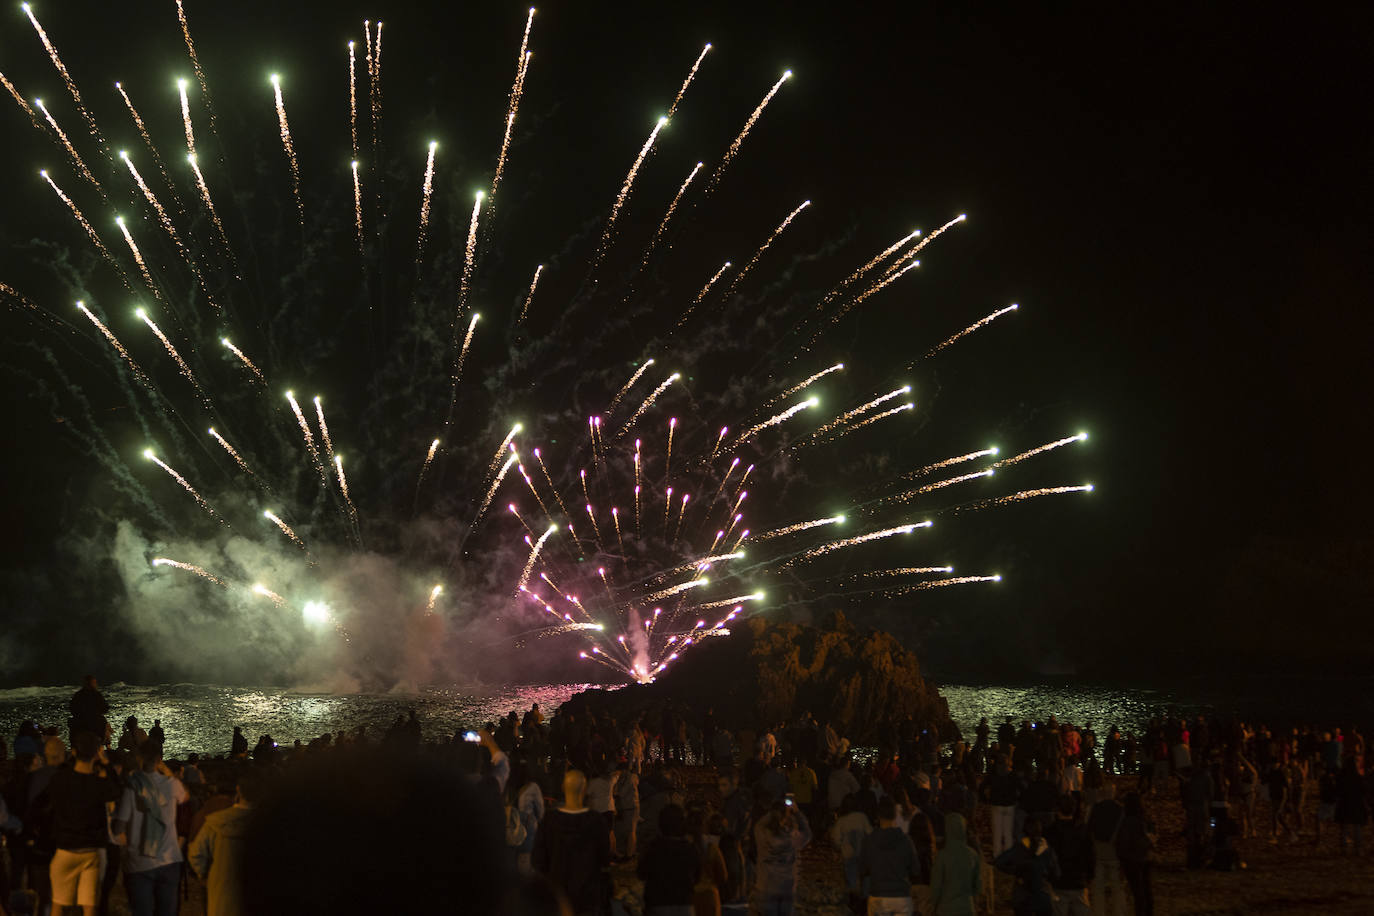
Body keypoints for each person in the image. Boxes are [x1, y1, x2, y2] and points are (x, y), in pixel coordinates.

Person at [47, 732, 123, 916]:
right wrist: (106, 765)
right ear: (96, 755)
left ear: (73, 753)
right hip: (91, 851)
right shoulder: (99, 784)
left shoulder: (60, 779)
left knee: (58, 904)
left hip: (65, 847)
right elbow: (117, 791)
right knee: (89, 906)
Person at [112, 740, 188, 916]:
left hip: (140, 861)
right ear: (160, 759)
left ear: (139, 758)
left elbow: (120, 825)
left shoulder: (132, 786)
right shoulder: (172, 784)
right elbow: (186, 797)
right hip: (169, 858)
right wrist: (167, 771)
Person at [532, 768, 611, 916]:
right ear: (584, 789)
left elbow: (538, 861)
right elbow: (604, 859)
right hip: (588, 896)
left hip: (559, 896)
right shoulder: (596, 821)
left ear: (563, 788)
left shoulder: (550, 821)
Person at [188, 770, 263, 916]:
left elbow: (196, 853)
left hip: (222, 891)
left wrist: (206, 876)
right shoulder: (265, 824)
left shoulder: (215, 822)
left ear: (238, 790)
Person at [860, 796, 920, 915]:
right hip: (901, 896)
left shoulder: (869, 841)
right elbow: (916, 870)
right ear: (894, 815)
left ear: (878, 816)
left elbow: (862, 870)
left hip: (878, 895)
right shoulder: (905, 840)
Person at [638, 803, 701, 916]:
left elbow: (641, 873)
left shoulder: (654, 848)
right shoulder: (690, 848)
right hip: (684, 905)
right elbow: (697, 877)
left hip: (657, 904)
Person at [752, 799, 812, 915]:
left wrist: (773, 812)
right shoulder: (792, 838)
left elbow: (760, 823)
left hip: (765, 886)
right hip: (787, 887)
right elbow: (807, 834)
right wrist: (797, 813)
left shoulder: (761, 833)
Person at [994, 817, 1060, 916]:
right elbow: (1056, 873)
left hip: (1022, 896)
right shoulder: (1048, 850)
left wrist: (1015, 871)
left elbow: (999, 862)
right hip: (1042, 896)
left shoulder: (1019, 848)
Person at [1044, 796, 1094, 916]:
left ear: (1058, 810)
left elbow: (1046, 858)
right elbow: (1091, 855)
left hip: (1059, 883)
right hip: (1079, 882)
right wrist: (1090, 876)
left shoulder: (1051, 832)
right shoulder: (1082, 830)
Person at [928, 812, 982, 916]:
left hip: (946, 909)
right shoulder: (972, 855)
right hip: (967, 908)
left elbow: (936, 885)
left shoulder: (942, 856)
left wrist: (933, 905)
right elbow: (978, 885)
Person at [1086, 784, 1126, 916]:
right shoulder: (1120, 810)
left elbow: (1089, 828)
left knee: (1098, 887)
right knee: (1117, 887)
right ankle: (1119, 912)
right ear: (1114, 794)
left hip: (1098, 850)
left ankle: (1099, 912)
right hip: (1114, 851)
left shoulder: (1095, 808)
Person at [1114, 792, 1155, 916]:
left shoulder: (1128, 821)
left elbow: (1124, 843)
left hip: (1132, 860)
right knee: (1146, 888)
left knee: (1138, 892)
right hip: (1145, 857)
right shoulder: (1145, 819)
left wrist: (1122, 857)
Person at [830, 793, 872, 907]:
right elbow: (870, 834)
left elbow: (836, 841)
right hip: (864, 855)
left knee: (852, 884)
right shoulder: (862, 817)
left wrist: (841, 848)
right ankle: (865, 905)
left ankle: (854, 907)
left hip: (849, 856)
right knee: (866, 884)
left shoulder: (841, 821)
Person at [69, 676, 109, 746]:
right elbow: (105, 708)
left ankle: (73, 749)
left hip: (80, 722)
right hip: (95, 723)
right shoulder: (97, 695)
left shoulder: (78, 695)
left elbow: (72, 709)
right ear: (93, 683)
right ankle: (105, 744)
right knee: (105, 726)